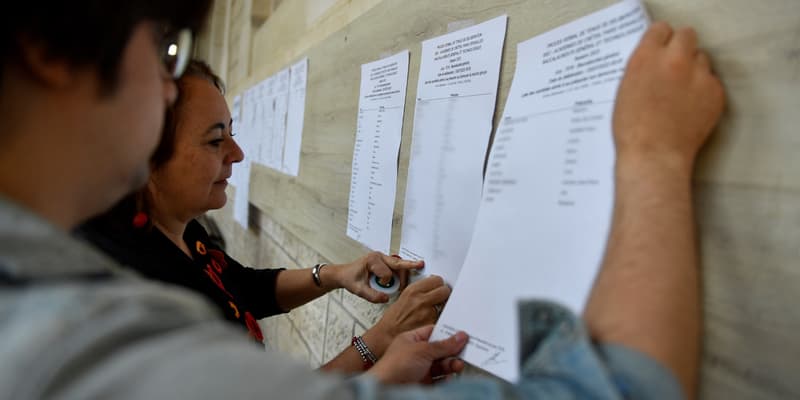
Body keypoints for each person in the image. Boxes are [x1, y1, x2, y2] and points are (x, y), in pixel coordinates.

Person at [0, 0, 724, 396]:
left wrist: (335, 281)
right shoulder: (89, 342)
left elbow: (240, 288)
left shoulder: (120, 258)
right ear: (50, 49)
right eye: (157, 41)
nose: (162, 83)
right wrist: (652, 155)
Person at [77, 59, 452, 373]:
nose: (237, 153)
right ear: (145, 154)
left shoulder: (180, 230)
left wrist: (335, 275)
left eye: (232, 133)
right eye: (215, 140)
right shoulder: (139, 290)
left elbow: (241, 287)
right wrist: (380, 343)